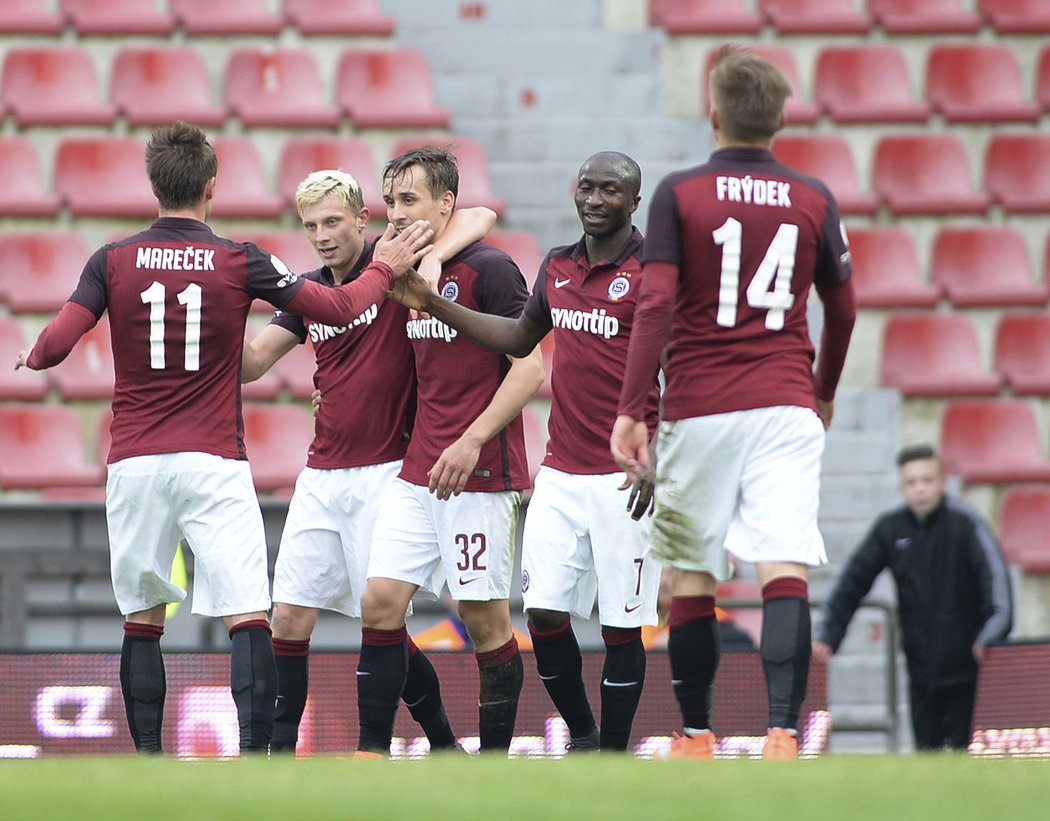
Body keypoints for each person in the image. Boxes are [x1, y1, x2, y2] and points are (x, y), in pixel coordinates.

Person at [14, 121, 433, 754]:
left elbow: (57, 344)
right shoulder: (240, 258)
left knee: (142, 618)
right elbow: (338, 309)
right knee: (247, 613)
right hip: (213, 458)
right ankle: (259, 755)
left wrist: (33, 354)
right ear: (212, 186)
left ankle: (150, 760)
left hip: (135, 461)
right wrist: (385, 268)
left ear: (154, 185)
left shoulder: (112, 259)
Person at [610, 46, 857, 761]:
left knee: (692, 570)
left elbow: (654, 301)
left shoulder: (680, 194)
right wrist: (824, 389)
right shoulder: (815, 197)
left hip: (701, 404)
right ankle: (783, 730)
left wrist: (633, 405)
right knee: (784, 565)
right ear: (781, 117)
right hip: (785, 402)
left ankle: (696, 733)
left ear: (712, 112)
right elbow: (843, 310)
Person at [390, 151, 662, 753]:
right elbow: (517, 338)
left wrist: (661, 454)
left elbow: (686, 371)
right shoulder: (559, 265)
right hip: (560, 470)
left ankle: (612, 754)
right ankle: (586, 735)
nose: (594, 199)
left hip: (625, 475)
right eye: (585, 187)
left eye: (609, 191)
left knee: (622, 625)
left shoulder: (652, 275)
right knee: (541, 613)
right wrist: (433, 303)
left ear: (634, 202)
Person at [240, 168, 497, 754]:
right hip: (321, 472)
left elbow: (479, 217)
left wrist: (428, 262)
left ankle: (441, 741)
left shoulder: (392, 263)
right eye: (311, 226)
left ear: (363, 219)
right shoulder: (308, 291)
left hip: (386, 469)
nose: (323, 235)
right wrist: (205, 332)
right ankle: (279, 761)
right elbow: (254, 364)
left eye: (334, 221)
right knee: (288, 621)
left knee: (382, 625)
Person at [355, 144, 545, 757]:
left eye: (409, 200)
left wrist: (472, 439)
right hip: (420, 468)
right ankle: (410, 750)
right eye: (390, 202)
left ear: (446, 202)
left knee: (484, 618)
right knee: (380, 604)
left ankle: (489, 769)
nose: (396, 213)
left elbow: (529, 367)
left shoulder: (491, 271)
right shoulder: (398, 270)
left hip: (478, 471)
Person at [813, 445, 1013, 752]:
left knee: (969, 759)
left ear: (943, 482)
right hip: (920, 671)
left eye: (927, 480)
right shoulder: (890, 528)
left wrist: (991, 635)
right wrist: (829, 634)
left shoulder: (966, 524)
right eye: (912, 482)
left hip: (971, 669)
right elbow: (853, 582)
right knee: (927, 759)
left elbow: (997, 585)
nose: (920, 489)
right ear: (901, 487)